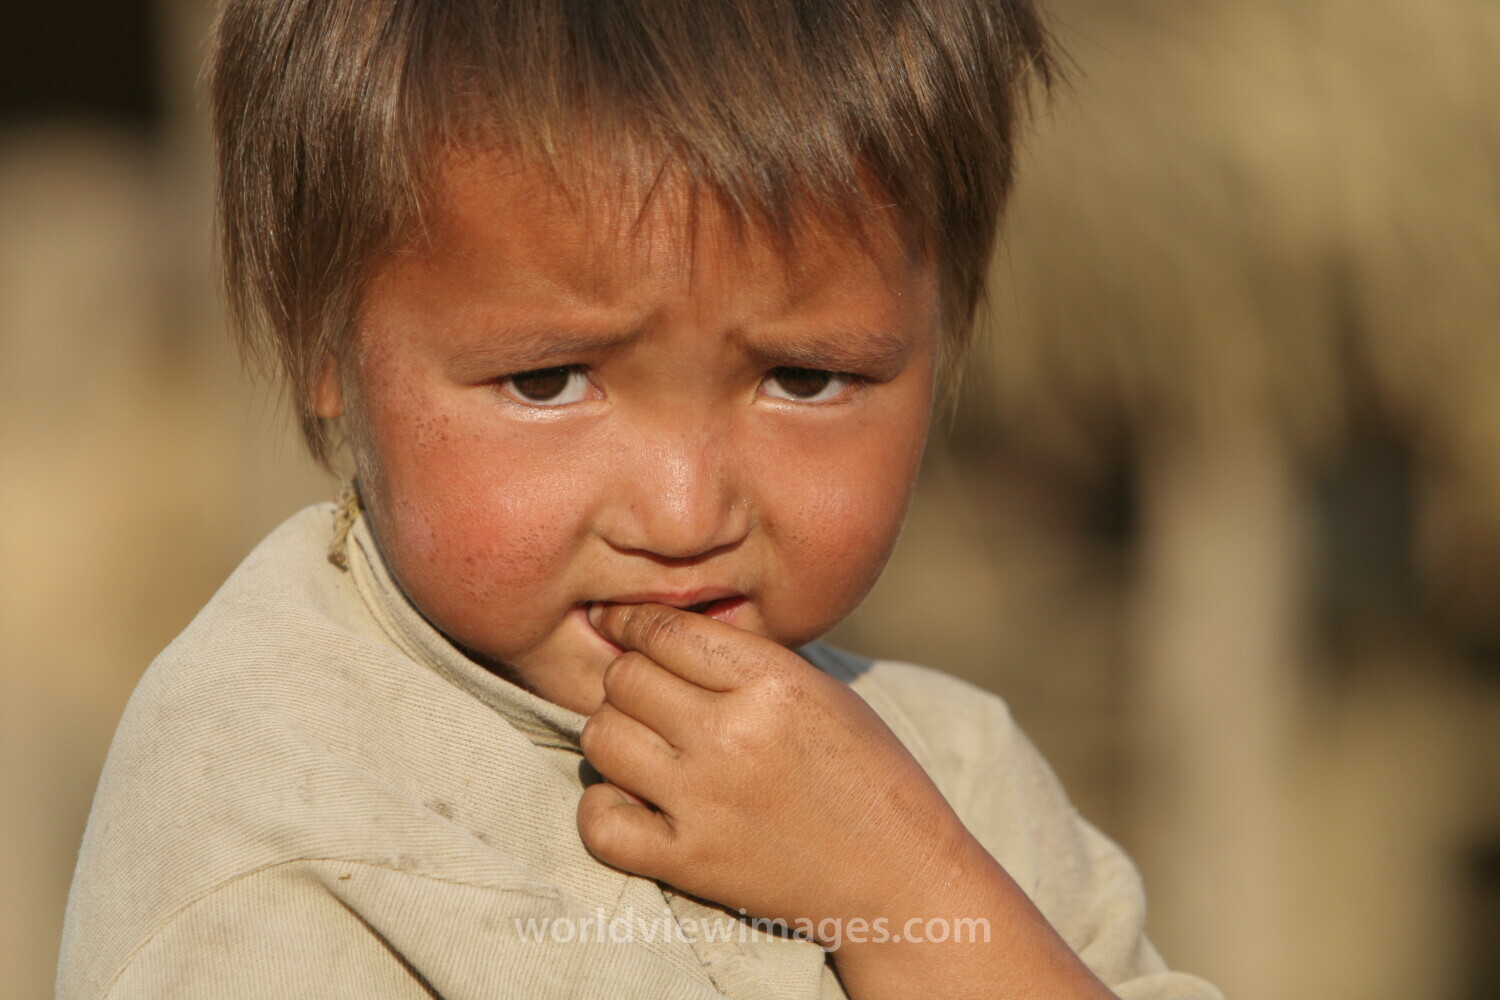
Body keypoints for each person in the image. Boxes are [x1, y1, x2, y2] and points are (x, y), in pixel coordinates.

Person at [58, 1, 1222, 997]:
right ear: (325, 342)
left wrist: (904, 894)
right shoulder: (273, 804)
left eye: (804, 377)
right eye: (548, 381)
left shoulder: (956, 784)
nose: (683, 514)